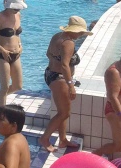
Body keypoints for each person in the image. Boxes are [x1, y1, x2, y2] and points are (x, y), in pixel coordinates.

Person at [39, 16, 92, 152]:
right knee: (64, 113)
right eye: (80, 32)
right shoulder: (68, 43)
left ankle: (62, 140)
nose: (81, 35)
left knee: (61, 112)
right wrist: (71, 85)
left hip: (50, 74)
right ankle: (44, 138)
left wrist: (56, 62)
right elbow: (64, 65)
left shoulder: (57, 36)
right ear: (74, 31)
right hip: (60, 79)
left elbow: (48, 54)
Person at [0, 0, 26, 106]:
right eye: (15, 7)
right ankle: (1, 111)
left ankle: (0, 97)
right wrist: (2, 50)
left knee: (18, 86)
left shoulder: (18, 15)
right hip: (2, 55)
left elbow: (16, 34)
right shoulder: (0, 17)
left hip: (16, 54)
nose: (17, 9)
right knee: (4, 87)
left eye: (19, 7)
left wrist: (20, 45)